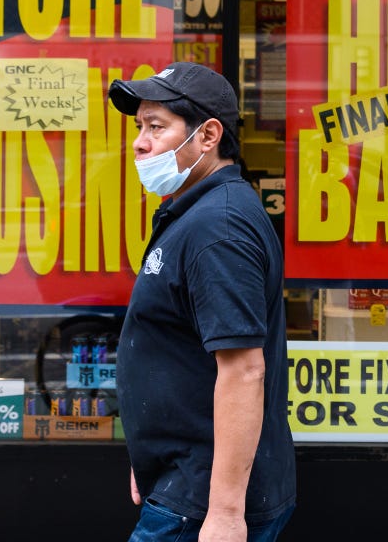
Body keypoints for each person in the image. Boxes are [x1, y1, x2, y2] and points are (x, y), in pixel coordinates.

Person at [108, 62, 296, 542]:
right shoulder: (198, 210)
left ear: (208, 135)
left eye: (156, 127)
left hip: (198, 500)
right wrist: (151, 454)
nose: (140, 142)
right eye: (139, 127)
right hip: (182, 481)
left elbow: (243, 370)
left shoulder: (219, 228)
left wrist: (226, 513)